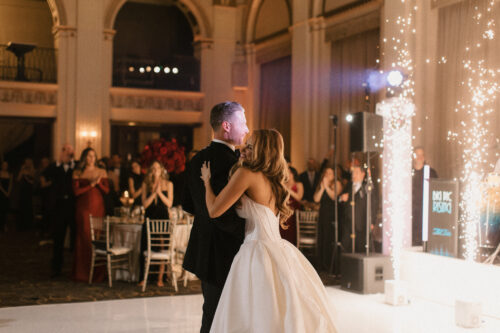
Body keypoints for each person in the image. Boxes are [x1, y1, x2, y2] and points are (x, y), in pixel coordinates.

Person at [201, 129, 337, 332]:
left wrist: (206, 183)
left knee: (253, 310)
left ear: (262, 150)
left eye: (250, 146)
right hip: (279, 249)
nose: (243, 149)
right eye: (245, 144)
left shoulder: (246, 174)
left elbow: (213, 210)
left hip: (256, 251)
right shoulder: (275, 181)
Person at [182, 101, 248, 333]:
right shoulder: (233, 165)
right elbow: (226, 214)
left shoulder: (197, 159)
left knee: (212, 311)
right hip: (227, 250)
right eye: (243, 122)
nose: (247, 129)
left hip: (205, 246)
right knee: (225, 313)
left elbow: (187, 203)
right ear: (227, 126)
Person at [72, 147, 109, 282]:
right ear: (84, 158)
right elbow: (76, 192)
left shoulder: (102, 171)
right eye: (89, 156)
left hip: (98, 207)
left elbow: (107, 190)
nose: (91, 158)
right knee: (84, 238)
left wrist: (98, 184)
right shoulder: (78, 172)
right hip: (83, 208)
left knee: (97, 237)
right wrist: (91, 184)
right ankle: (83, 273)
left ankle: (98, 273)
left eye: (93, 156)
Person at [138, 160, 173, 287]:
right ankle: (143, 277)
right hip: (149, 219)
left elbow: (169, 203)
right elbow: (145, 204)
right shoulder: (145, 184)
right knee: (146, 246)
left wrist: (159, 193)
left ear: (161, 170)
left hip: (163, 219)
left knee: (162, 247)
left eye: (157, 168)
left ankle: (160, 278)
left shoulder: (168, 184)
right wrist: (154, 193)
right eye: (153, 168)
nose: (155, 171)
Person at [43, 145, 76, 277]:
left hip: (73, 206)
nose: (67, 153)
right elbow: (46, 175)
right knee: (58, 237)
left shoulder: (76, 166)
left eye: (70, 150)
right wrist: (59, 162)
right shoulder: (54, 167)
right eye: (65, 150)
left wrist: (71, 160)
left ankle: (75, 268)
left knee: (75, 237)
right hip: (59, 206)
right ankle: (56, 267)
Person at [339, 165, 378, 253]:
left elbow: (373, 204)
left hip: (361, 223)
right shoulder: (348, 186)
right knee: (346, 248)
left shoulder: (367, 187)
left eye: (356, 173)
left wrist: (372, 221)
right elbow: (339, 199)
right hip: (348, 224)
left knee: (361, 247)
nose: (354, 175)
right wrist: (341, 198)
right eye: (353, 173)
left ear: (363, 174)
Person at [314, 167, 343, 271]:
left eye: (330, 173)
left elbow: (334, 197)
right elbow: (316, 199)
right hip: (322, 215)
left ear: (334, 175)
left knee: (328, 239)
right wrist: (322, 188)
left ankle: (328, 265)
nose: (327, 175)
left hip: (332, 215)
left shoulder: (337, 183)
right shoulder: (322, 185)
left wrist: (326, 187)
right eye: (326, 173)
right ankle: (321, 264)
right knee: (321, 239)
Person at [412, 147, 438, 246]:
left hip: (425, 213)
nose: (419, 157)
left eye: (421, 155)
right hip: (412, 215)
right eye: (417, 155)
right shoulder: (408, 173)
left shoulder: (431, 173)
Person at [280, 166, 303, 245]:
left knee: (292, 229)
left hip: (294, 210)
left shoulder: (298, 184)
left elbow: (299, 197)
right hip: (283, 209)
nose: (287, 173)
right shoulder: (282, 183)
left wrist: (287, 189)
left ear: (293, 174)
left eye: (289, 172)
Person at [17, 158, 35, 231]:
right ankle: (22, 225)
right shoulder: (23, 170)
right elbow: (18, 179)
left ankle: (29, 225)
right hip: (23, 191)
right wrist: (21, 171)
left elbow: (33, 180)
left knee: (29, 206)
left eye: (28, 162)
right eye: (26, 162)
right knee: (22, 206)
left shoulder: (33, 170)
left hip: (29, 191)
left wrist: (27, 176)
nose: (27, 164)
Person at [0, 161, 13, 232]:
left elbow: (10, 184)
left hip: (7, 194)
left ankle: (5, 225)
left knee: (5, 209)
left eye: (6, 165)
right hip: (1, 193)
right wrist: (5, 193)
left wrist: (8, 192)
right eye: (4, 165)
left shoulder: (10, 174)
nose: (5, 166)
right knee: (0, 209)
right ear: (1, 166)